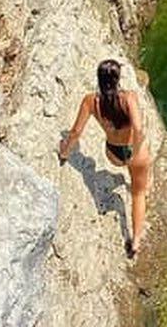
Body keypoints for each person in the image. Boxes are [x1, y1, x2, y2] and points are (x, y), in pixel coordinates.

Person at [57, 58, 152, 257]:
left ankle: (128, 169)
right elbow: (138, 128)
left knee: (130, 173)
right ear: (118, 80)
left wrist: (64, 152)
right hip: (134, 154)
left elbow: (75, 132)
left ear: (99, 79)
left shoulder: (91, 101)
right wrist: (136, 151)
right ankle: (135, 241)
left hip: (113, 154)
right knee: (138, 193)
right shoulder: (129, 98)